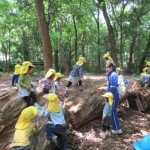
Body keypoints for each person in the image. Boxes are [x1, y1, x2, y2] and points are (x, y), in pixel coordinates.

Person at [106, 63, 122, 134]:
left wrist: (107, 93)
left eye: (108, 68)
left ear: (111, 67)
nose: (107, 69)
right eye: (106, 68)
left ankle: (117, 129)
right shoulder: (111, 74)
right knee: (112, 111)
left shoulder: (113, 75)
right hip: (112, 96)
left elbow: (113, 86)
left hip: (114, 96)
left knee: (113, 111)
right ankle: (114, 125)